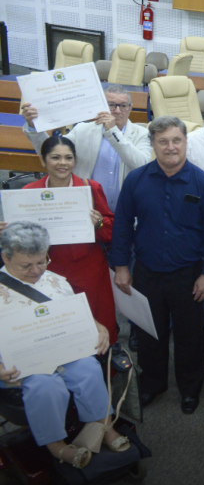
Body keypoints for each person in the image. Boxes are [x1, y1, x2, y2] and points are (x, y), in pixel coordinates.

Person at [109, 116, 204, 414]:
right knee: (149, 335)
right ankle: (153, 384)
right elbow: (122, 226)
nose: (170, 147)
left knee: (190, 337)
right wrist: (121, 267)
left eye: (176, 140)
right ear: (153, 144)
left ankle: (190, 389)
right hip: (146, 272)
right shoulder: (136, 180)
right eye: (163, 141)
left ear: (186, 142)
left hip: (189, 275)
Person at [0, 222, 128, 470]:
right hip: (17, 363)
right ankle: (56, 444)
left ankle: (103, 426)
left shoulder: (54, 280)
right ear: (5, 257)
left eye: (41, 261)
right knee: (45, 385)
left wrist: (97, 326)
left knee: (89, 368)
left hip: (61, 348)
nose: (36, 271)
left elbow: (75, 315)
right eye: (26, 265)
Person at [14, 135, 127, 369]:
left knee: (97, 319)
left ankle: (103, 375)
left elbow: (112, 230)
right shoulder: (28, 192)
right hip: (47, 269)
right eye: (55, 157)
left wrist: (98, 224)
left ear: (75, 160)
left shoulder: (89, 187)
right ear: (43, 160)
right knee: (57, 324)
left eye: (68, 157)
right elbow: (17, 243)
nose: (62, 163)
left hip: (88, 267)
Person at [21, 83, 151, 212]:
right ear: (102, 106)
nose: (117, 111)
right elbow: (51, 151)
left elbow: (141, 165)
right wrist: (34, 126)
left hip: (126, 212)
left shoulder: (142, 134)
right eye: (111, 105)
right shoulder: (82, 130)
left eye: (123, 106)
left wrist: (112, 131)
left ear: (130, 108)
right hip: (87, 209)